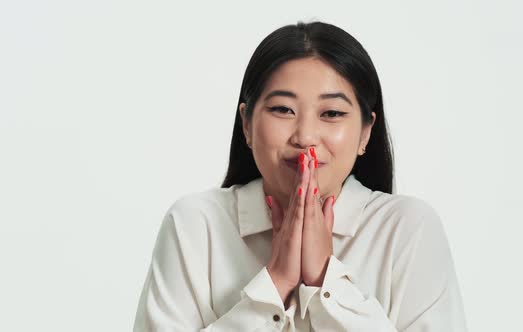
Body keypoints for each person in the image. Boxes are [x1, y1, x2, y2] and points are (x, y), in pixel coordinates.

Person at [133, 20, 467, 331]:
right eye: (282, 110)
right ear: (247, 124)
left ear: (366, 132)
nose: (305, 136)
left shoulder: (407, 228)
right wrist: (275, 283)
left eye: (332, 113)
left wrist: (326, 280)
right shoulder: (194, 224)